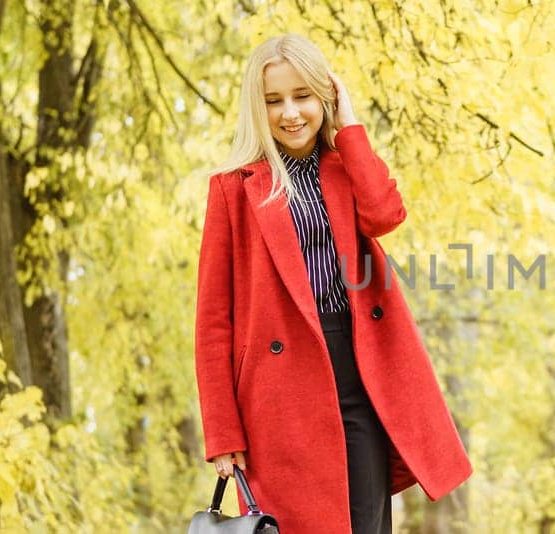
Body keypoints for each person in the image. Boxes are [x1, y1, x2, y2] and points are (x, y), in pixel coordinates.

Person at [193, 34, 472, 533]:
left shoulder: (346, 168)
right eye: (274, 101)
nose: (291, 113)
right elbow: (214, 320)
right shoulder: (232, 188)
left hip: (359, 368)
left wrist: (351, 127)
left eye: (303, 96)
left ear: (324, 96)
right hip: (277, 393)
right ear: (256, 108)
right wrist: (222, 431)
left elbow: (386, 214)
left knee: (366, 523)